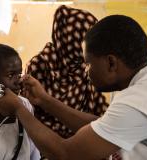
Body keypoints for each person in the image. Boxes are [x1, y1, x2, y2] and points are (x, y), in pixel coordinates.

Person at [0, 15, 147, 160]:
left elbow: (65, 153)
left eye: (88, 63)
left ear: (111, 63)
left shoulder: (137, 102)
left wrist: (18, 108)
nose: (85, 71)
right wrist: (45, 100)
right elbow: (103, 127)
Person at [26, 5, 108, 139]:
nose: (97, 47)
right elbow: (29, 114)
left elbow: (98, 107)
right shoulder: (40, 65)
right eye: (90, 40)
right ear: (70, 37)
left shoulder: (84, 66)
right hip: (46, 144)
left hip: (82, 138)